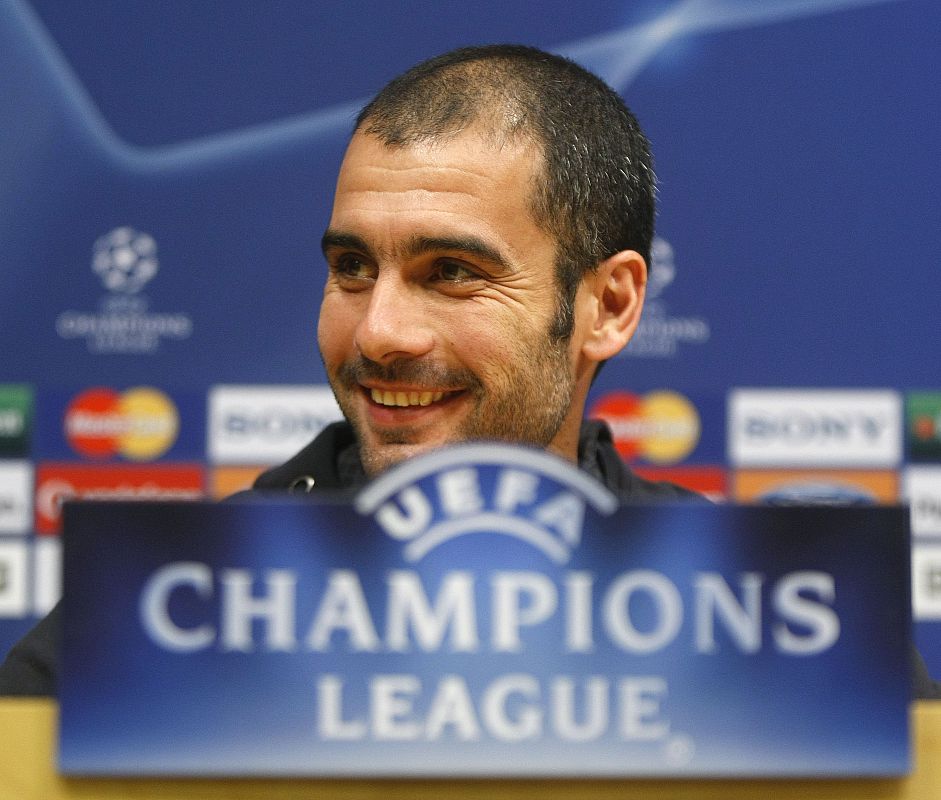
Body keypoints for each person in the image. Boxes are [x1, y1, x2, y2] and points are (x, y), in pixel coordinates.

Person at [1, 44, 937, 699]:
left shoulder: (774, 625)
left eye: (452, 273)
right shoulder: (163, 613)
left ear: (606, 306)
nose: (380, 332)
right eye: (351, 268)